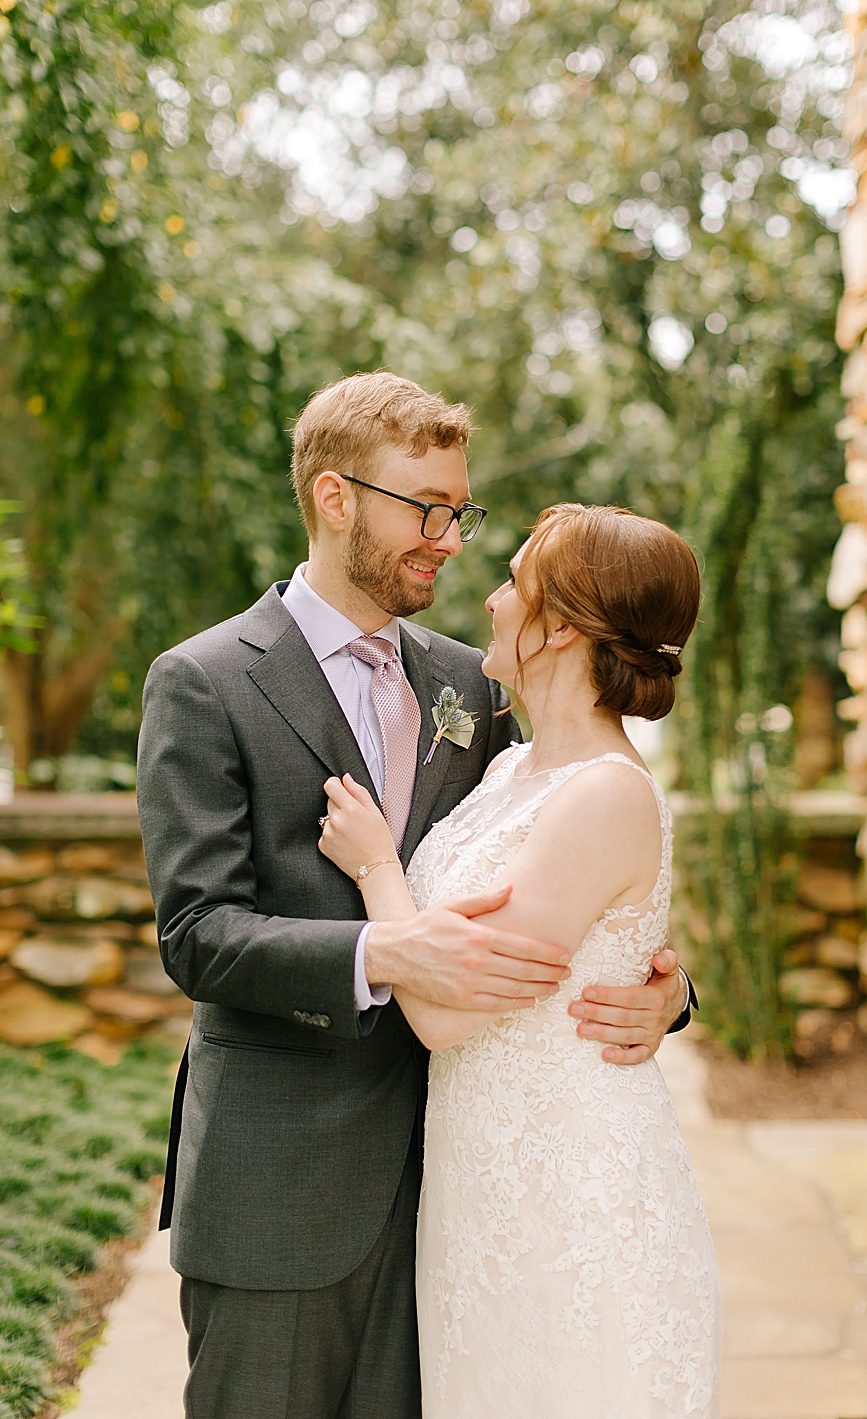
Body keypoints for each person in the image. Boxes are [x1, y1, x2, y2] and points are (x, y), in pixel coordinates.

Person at [136, 372, 695, 1419]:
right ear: (334, 497)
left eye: (459, 509)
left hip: (458, 1189)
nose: (447, 536)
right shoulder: (204, 681)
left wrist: (659, 988)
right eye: (423, 508)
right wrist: (379, 955)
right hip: (282, 1183)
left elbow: (571, 852)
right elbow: (197, 933)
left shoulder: (475, 684)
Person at [317, 503, 720, 1417]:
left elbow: (449, 1011)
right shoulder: (510, 769)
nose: (492, 598)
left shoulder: (607, 794)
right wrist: (674, 987)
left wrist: (379, 866)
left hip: (572, 1199)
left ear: (565, 625)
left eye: (514, 583)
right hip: (484, 1188)